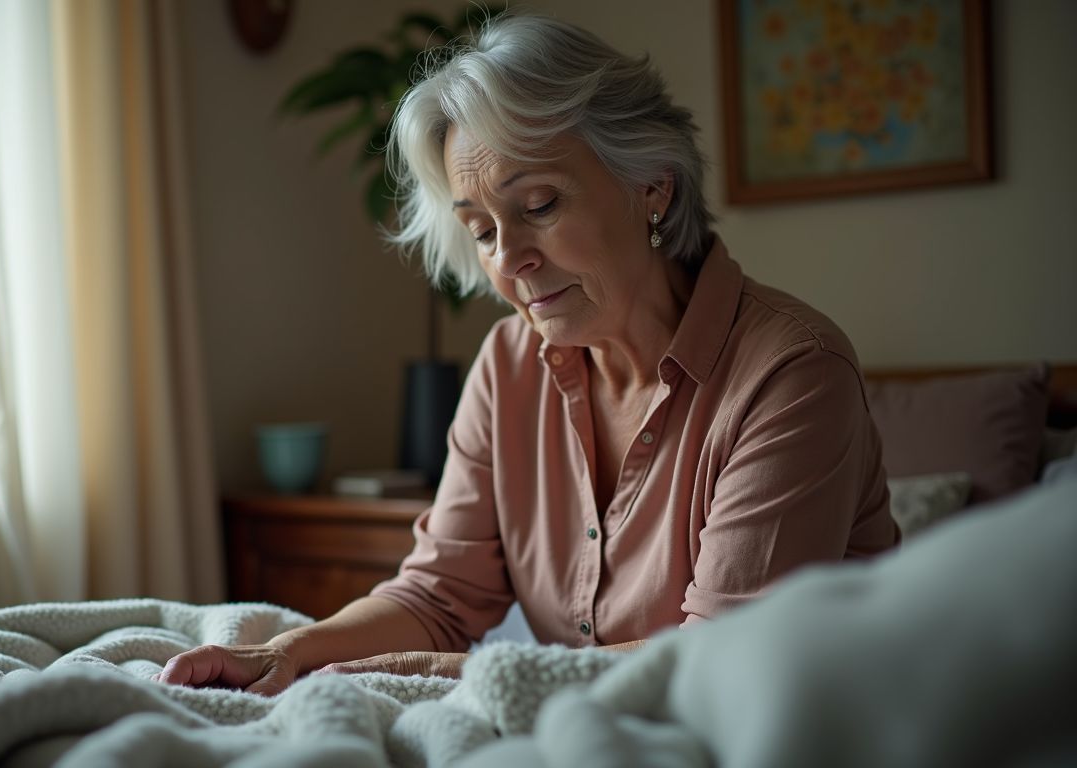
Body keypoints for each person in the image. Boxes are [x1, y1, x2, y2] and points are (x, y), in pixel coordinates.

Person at [156, 13, 899, 696]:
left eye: (539, 205)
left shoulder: (792, 373)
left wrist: (462, 673)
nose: (509, 260)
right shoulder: (509, 365)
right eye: (481, 229)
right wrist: (292, 649)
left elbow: (722, 665)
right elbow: (438, 596)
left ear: (654, 190)